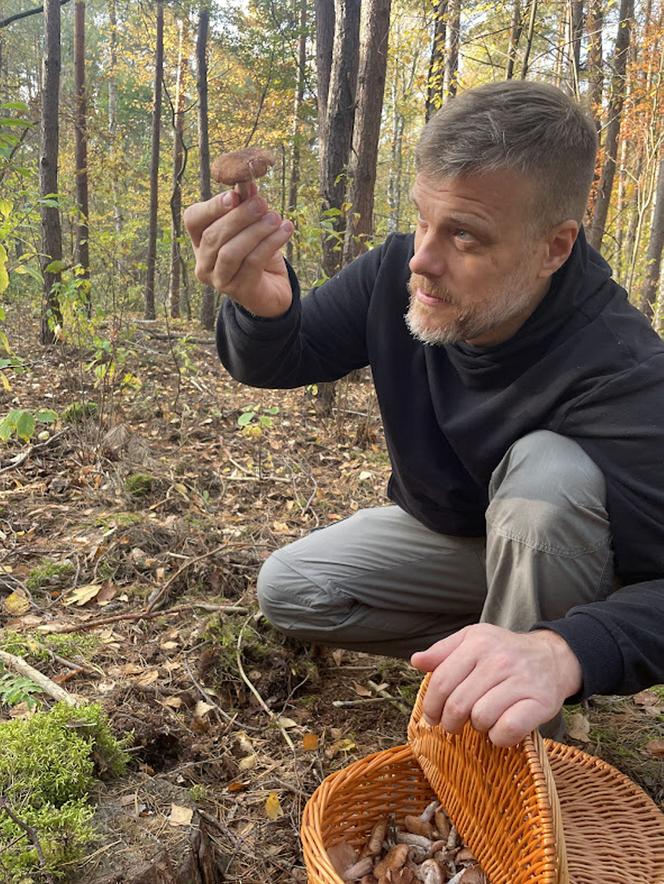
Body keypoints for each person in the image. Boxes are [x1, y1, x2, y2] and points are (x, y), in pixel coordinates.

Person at [184, 81, 664, 748]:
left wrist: (568, 649)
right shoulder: (396, 273)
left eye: (464, 235)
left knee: (547, 476)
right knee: (292, 588)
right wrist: (262, 305)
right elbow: (283, 357)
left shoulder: (621, 368)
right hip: (459, 541)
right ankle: (490, 653)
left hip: (562, 555)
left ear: (553, 247)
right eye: (423, 219)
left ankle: (515, 741)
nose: (422, 259)